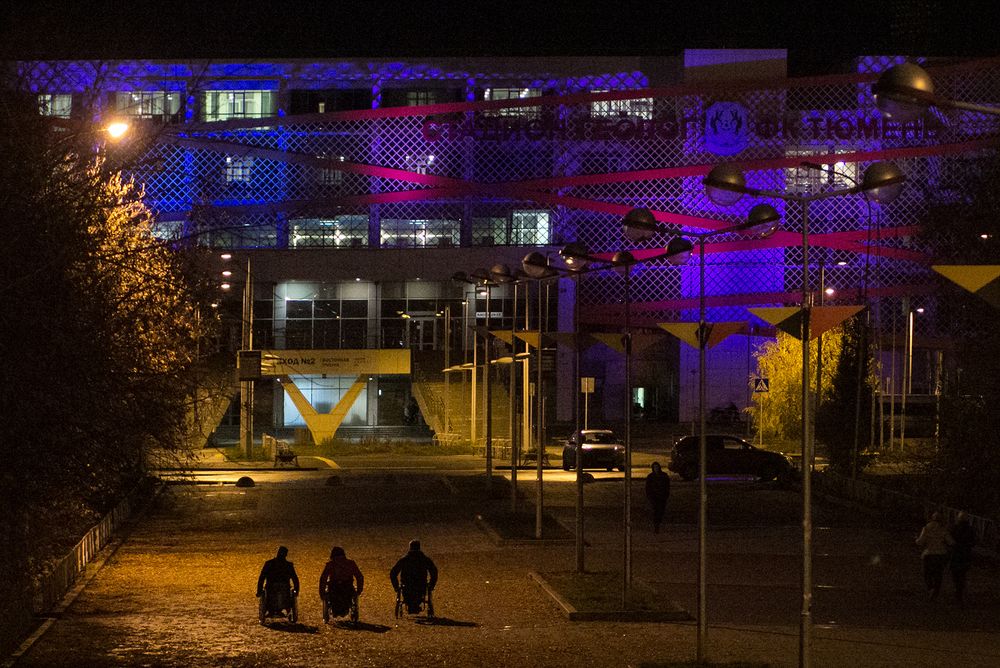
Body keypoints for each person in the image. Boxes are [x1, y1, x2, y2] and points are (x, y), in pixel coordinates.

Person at [390, 539, 438, 614]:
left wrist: (396, 587)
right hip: (421, 586)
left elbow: (393, 573)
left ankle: (411, 604)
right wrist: (431, 585)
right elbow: (434, 572)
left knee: (409, 593)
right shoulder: (424, 559)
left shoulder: (404, 559)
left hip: (407, 586)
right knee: (419, 593)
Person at [915, 512, 953, 601]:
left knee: (926, 573)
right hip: (940, 554)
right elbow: (951, 542)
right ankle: (935, 591)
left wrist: (916, 539)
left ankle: (930, 588)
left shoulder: (926, 528)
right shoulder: (943, 529)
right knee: (938, 574)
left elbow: (920, 542)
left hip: (928, 554)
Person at [319, 546, 364, 616]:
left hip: (334, 588)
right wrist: (359, 590)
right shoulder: (351, 564)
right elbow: (359, 576)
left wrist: (322, 593)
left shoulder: (331, 565)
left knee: (331, 595)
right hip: (347, 587)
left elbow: (323, 578)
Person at [257, 546, 300, 615]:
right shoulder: (288, 565)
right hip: (284, 589)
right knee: (284, 592)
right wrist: (296, 590)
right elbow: (295, 579)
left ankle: (271, 609)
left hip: (271, 588)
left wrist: (259, 590)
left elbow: (262, 577)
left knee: (271, 592)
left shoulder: (269, 564)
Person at [949, 511, 976, 606]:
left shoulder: (954, 528)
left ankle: (958, 593)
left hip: (956, 554)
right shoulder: (970, 529)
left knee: (955, 575)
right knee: (962, 574)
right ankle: (960, 593)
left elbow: (950, 540)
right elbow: (973, 542)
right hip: (965, 555)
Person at [645, 461, 671, 533]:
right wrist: (649, 496)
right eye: (654, 467)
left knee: (661, 511)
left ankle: (658, 523)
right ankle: (656, 525)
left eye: (657, 467)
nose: (656, 469)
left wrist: (666, 495)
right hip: (654, 497)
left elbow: (667, 486)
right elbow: (648, 487)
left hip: (662, 497)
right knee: (655, 511)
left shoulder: (663, 476)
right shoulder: (650, 476)